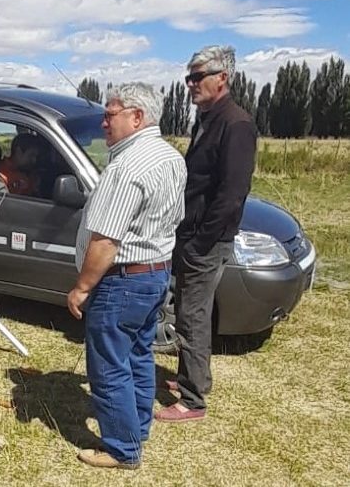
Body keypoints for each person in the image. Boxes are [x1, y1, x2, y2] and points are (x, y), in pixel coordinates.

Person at [67, 83, 186, 469]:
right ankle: (138, 427)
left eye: (110, 114)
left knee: (108, 364)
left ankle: (122, 448)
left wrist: (83, 287)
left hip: (122, 279)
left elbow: (105, 240)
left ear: (137, 117)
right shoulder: (171, 157)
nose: (104, 122)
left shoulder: (127, 166)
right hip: (154, 274)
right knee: (137, 354)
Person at [155, 46, 257, 423]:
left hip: (206, 240)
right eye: (189, 78)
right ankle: (191, 378)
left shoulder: (236, 124)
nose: (191, 85)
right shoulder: (207, 118)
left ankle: (193, 400)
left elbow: (232, 196)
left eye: (198, 77)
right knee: (187, 309)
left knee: (192, 316)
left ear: (222, 78)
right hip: (193, 234)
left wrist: (200, 242)